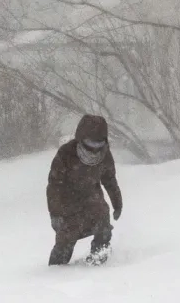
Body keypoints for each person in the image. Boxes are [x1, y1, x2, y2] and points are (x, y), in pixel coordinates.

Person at [46, 114, 123, 266]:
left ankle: (99, 260)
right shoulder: (65, 154)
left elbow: (109, 180)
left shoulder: (105, 154)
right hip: (67, 204)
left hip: (93, 200)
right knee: (65, 241)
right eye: (89, 144)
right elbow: (54, 186)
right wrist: (55, 213)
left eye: (98, 145)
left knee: (103, 227)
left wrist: (117, 203)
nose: (94, 150)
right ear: (80, 139)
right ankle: (55, 273)